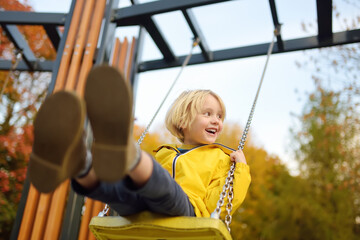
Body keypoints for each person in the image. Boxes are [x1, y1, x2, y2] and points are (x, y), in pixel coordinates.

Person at [28, 65, 251, 218]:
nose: (216, 121)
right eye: (208, 114)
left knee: (164, 187)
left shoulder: (222, 158)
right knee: (119, 192)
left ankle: (128, 152)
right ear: (183, 121)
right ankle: (78, 164)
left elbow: (220, 206)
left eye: (220, 116)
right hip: (144, 210)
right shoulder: (165, 152)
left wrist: (240, 168)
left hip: (187, 211)